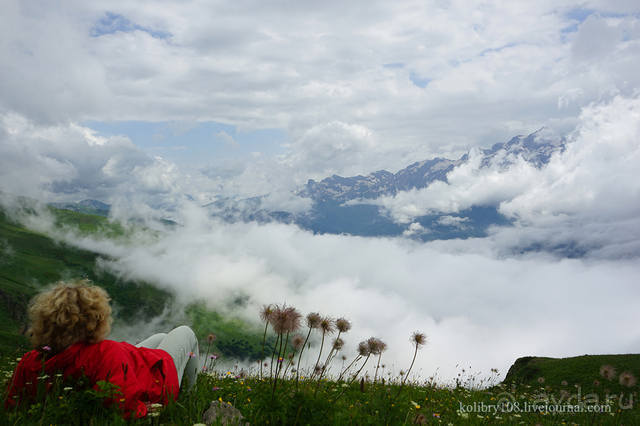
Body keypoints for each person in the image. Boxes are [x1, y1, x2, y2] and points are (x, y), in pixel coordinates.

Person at [5, 280, 199, 419]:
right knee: (185, 332)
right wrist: (144, 410)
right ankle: (190, 401)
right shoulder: (104, 353)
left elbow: (12, 406)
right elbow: (123, 404)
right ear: (94, 319)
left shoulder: (30, 361)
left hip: (127, 363)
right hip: (157, 383)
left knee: (161, 338)